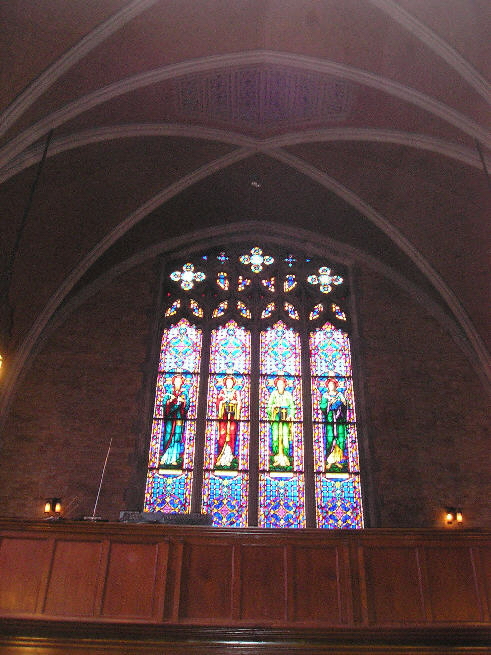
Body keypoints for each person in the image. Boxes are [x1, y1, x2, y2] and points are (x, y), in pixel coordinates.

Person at [160, 374, 189, 466]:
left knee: (177, 436)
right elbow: (164, 404)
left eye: (179, 381)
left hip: (179, 417)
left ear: (182, 383)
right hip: (170, 418)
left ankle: (174, 458)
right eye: (176, 381)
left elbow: (187, 405)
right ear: (173, 382)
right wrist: (171, 401)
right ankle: (165, 456)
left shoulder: (184, 393)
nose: (178, 383)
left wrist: (183, 402)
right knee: (168, 435)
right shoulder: (169, 392)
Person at [320, 378, 347, 470]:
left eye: (333, 384)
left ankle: (338, 460)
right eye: (330, 385)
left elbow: (345, 405)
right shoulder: (325, 395)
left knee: (340, 438)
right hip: (330, 419)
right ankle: (329, 461)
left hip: (339, 419)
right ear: (327, 386)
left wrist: (340, 404)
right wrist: (329, 403)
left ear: (336, 386)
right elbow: (322, 406)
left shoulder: (340, 395)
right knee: (330, 438)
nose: (331, 386)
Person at [267, 376, 295, 468]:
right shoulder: (273, 394)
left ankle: (285, 456)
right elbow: (268, 407)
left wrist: (290, 415)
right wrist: (274, 407)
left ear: (285, 385)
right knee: (275, 437)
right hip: (275, 419)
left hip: (285, 420)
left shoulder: (288, 395)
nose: (280, 385)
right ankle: (277, 456)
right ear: (276, 385)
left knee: (285, 437)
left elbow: (292, 407)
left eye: (282, 384)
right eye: (279, 384)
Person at [216, 375, 241, 467]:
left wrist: (235, 403)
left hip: (232, 417)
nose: (229, 383)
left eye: (230, 382)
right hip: (224, 418)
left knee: (232, 435)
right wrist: (223, 402)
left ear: (233, 383)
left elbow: (239, 403)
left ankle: (230, 457)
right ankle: (221, 457)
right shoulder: (222, 392)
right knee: (222, 435)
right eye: (227, 382)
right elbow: (218, 402)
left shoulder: (236, 392)